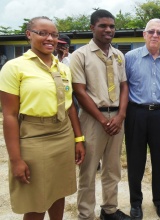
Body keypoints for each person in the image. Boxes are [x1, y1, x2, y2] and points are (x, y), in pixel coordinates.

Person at [0, 16, 85, 220]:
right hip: (34, 137)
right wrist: (16, 159)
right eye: (43, 33)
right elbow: (9, 116)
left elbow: (70, 105)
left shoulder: (63, 68)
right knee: (36, 200)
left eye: (54, 35)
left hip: (63, 135)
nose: (50, 38)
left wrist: (78, 139)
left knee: (59, 192)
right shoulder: (14, 67)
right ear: (29, 34)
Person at [70, 9, 130, 220]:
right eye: (103, 25)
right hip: (92, 120)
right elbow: (79, 91)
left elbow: (124, 87)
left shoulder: (118, 55)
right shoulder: (80, 55)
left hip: (116, 119)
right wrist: (103, 120)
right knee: (88, 170)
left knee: (113, 169)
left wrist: (121, 115)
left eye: (112, 26)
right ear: (92, 28)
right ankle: (86, 214)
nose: (108, 30)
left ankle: (109, 210)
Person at [124, 18, 160, 219]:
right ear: (144, 34)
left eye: (159, 32)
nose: (155, 35)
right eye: (151, 31)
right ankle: (135, 203)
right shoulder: (130, 57)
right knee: (135, 161)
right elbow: (124, 88)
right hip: (136, 114)